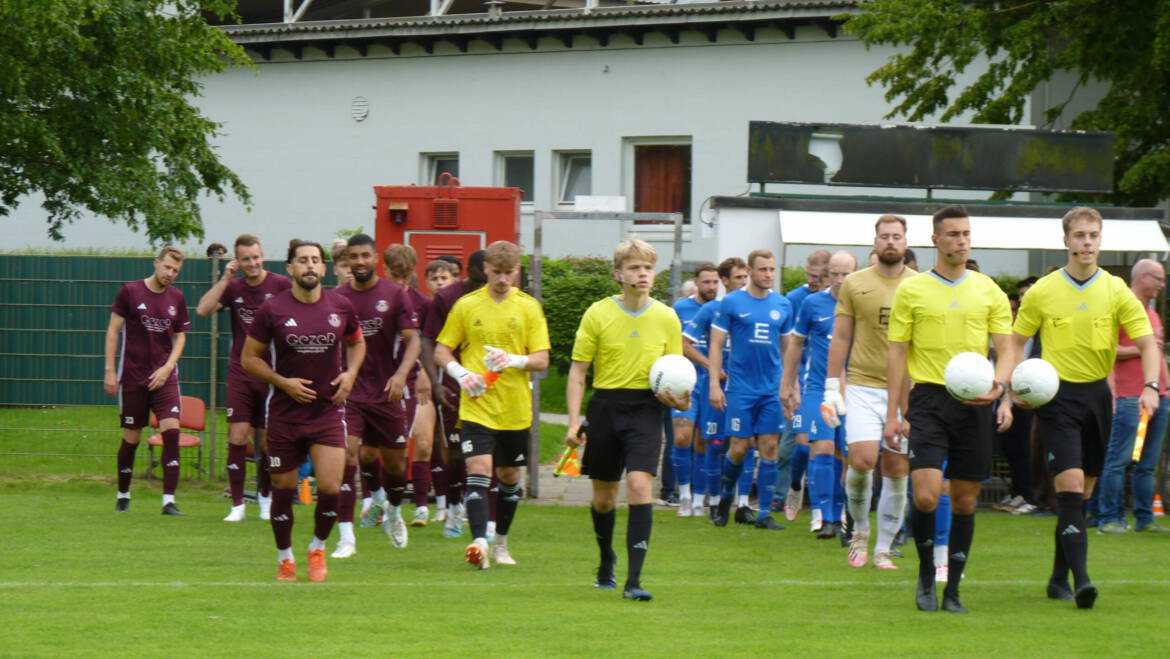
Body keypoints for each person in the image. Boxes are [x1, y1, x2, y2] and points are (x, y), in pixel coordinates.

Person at [1013, 207, 1162, 609]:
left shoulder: (1115, 290)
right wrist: (1012, 384)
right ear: (1066, 241)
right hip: (1055, 399)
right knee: (1072, 486)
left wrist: (1151, 386)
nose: (1086, 242)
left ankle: (1058, 577)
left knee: (1083, 494)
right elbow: (1015, 341)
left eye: (1093, 235)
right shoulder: (1043, 290)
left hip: (1098, 399)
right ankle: (1082, 582)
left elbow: (1148, 342)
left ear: (1100, 240)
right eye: (1079, 235)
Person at [885, 205, 1014, 613]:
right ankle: (925, 575)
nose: (961, 241)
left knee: (964, 501)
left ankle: (953, 588)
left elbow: (1007, 347)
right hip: (928, 401)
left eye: (966, 234)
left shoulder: (987, 289)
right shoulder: (913, 289)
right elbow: (897, 353)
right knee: (924, 497)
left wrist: (1000, 385)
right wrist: (894, 412)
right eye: (953, 234)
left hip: (975, 404)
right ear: (935, 240)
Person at [567, 239, 690, 601]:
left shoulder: (667, 317)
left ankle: (634, 580)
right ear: (619, 274)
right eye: (635, 268)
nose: (643, 274)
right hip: (605, 406)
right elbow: (577, 373)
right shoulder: (597, 313)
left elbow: (679, 378)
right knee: (604, 499)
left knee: (639, 485)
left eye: (648, 268)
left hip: (646, 409)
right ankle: (606, 558)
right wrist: (574, 422)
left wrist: (680, 402)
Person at [242, 239, 364, 582]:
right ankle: (285, 558)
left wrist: (351, 374)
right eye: (303, 260)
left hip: (328, 412)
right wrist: (283, 382)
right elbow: (249, 358)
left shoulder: (340, 306)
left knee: (330, 486)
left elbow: (357, 342)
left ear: (323, 269)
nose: (310, 265)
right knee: (282, 487)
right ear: (290, 269)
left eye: (315, 260)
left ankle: (317, 548)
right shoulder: (273, 310)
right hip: (283, 414)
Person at [435, 240, 550, 569]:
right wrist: (460, 373)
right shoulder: (467, 306)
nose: (502, 279)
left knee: (509, 475)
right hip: (477, 406)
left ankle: (501, 542)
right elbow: (442, 350)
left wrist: (512, 359)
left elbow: (542, 359)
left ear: (517, 270)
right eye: (496, 272)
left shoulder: (528, 307)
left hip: (514, 409)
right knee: (479, 469)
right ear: (485, 269)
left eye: (508, 273)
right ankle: (478, 543)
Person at [823, 215, 915, 564]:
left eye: (897, 236)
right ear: (875, 242)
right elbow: (842, 336)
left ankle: (884, 547)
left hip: (905, 390)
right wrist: (833, 385)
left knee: (896, 469)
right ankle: (859, 531)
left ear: (906, 242)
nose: (890, 242)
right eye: (884, 236)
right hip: (861, 384)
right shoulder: (855, 283)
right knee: (862, 460)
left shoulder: (920, 285)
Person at [333, 234, 421, 556]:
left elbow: (413, 340)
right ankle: (346, 537)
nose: (359, 262)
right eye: (353, 256)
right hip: (350, 393)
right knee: (348, 457)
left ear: (375, 258)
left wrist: (401, 375)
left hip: (388, 392)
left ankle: (393, 511)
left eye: (365, 256)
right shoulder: (337, 298)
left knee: (395, 466)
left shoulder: (395, 295)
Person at [196, 234, 292, 522]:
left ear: (263, 256)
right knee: (237, 437)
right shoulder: (233, 287)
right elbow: (202, 310)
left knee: (266, 443)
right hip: (240, 371)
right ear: (238, 260)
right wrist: (226, 279)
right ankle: (237, 503)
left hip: (271, 373)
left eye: (256, 257)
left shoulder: (281, 285)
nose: (252, 263)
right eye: (246, 259)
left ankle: (265, 498)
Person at [708, 249, 794, 530]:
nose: (768, 275)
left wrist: (791, 386)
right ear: (751, 272)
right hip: (741, 389)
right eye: (763, 270)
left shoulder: (782, 305)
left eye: (771, 270)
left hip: (771, 390)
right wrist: (714, 385)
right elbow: (717, 345)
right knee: (739, 447)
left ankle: (764, 514)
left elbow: (787, 349)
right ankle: (724, 499)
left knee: (770, 447)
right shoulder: (732, 302)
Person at [104, 246, 191, 515]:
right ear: (156, 263)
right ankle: (123, 494)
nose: (170, 273)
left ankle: (169, 501)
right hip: (132, 377)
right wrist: (110, 371)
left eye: (175, 270)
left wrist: (168, 367)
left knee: (172, 433)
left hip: (165, 378)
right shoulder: (130, 291)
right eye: (167, 267)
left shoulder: (177, 297)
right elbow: (113, 330)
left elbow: (181, 337)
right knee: (131, 438)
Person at [782, 251, 855, 535]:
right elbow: (795, 345)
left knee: (842, 455)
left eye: (845, 274)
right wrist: (787, 384)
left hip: (853, 390)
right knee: (819, 447)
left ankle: (839, 514)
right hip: (817, 388)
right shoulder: (813, 303)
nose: (839, 280)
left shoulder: (861, 304)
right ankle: (823, 516)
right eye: (834, 274)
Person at [1095, 259, 1170, 533]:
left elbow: (1158, 354)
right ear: (1142, 277)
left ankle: (1144, 518)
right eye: (1158, 278)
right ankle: (1109, 518)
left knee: (1148, 464)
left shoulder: (1152, 314)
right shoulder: (1120, 307)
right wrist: (1141, 349)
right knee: (1118, 460)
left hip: (1159, 397)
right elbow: (1106, 349)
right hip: (1129, 396)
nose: (1163, 284)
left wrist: (1166, 388)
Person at [421, 250, 487, 537]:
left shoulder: (507, 298)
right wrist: (435, 382)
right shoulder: (448, 299)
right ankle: (453, 506)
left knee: (488, 453)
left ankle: (489, 519)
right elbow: (427, 341)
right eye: (485, 271)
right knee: (456, 453)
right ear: (470, 271)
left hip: (492, 385)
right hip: (453, 385)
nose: (492, 278)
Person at [683, 257, 749, 519]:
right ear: (725, 281)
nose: (744, 283)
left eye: (746, 277)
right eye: (738, 278)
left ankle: (742, 504)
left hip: (746, 387)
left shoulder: (757, 308)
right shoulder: (712, 309)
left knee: (746, 443)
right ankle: (708, 501)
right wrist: (712, 366)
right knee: (713, 442)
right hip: (718, 388)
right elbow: (685, 344)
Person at [384, 245, 437, 527]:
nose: (401, 283)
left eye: (405, 277)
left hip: (417, 379)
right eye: (396, 276)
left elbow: (429, 343)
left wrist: (427, 376)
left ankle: (421, 507)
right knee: (394, 447)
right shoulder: (379, 300)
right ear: (386, 271)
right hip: (384, 380)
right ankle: (382, 502)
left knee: (424, 443)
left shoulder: (423, 304)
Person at [780, 250, 830, 521]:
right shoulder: (795, 300)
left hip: (829, 383)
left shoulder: (838, 301)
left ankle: (821, 511)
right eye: (809, 274)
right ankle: (795, 486)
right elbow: (787, 345)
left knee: (821, 447)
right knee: (802, 445)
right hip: (802, 382)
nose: (812, 280)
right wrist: (788, 384)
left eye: (818, 276)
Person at [671, 264, 719, 517]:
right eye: (706, 282)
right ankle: (684, 496)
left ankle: (699, 499)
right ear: (696, 283)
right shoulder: (680, 309)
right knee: (682, 437)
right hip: (684, 381)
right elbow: (674, 343)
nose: (711, 287)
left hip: (710, 383)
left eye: (715, 282)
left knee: (702, 441)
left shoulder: (722, 309)